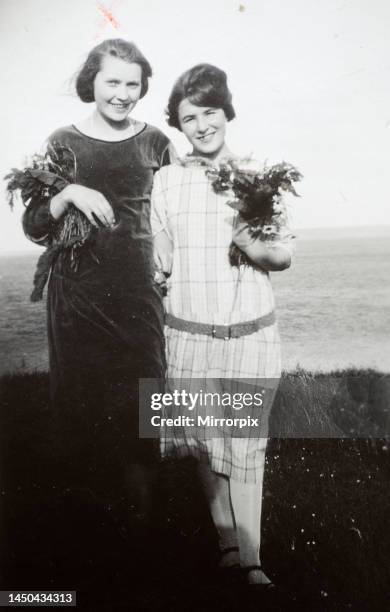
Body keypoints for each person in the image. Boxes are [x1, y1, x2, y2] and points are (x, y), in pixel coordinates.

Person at [151, 64, 294, 586]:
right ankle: (228, 547)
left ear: (226, 111)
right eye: (189, 117)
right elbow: (160, 251)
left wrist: (252, 243)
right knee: (200, 441)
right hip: (186, 336)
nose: (202, 125)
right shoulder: (166, 181)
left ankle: (253, 561)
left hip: (250, 335)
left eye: (210, 112)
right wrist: (156, 259)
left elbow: (282, 257)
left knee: (245, 442)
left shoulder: (259, 175)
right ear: (179, 124)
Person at [22, 39, 173, 510]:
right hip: (77, 301)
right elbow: (33, 226)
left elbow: (174, 215)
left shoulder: (157, 143)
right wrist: (67, 195)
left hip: (138, 299)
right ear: (92, 82)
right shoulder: (63, 142)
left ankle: (143, 543)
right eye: (113, 81)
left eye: (133, 83)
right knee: (81, 417)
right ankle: (90, 541)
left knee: (143, 412)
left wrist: (167, 249)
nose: (123, 94)